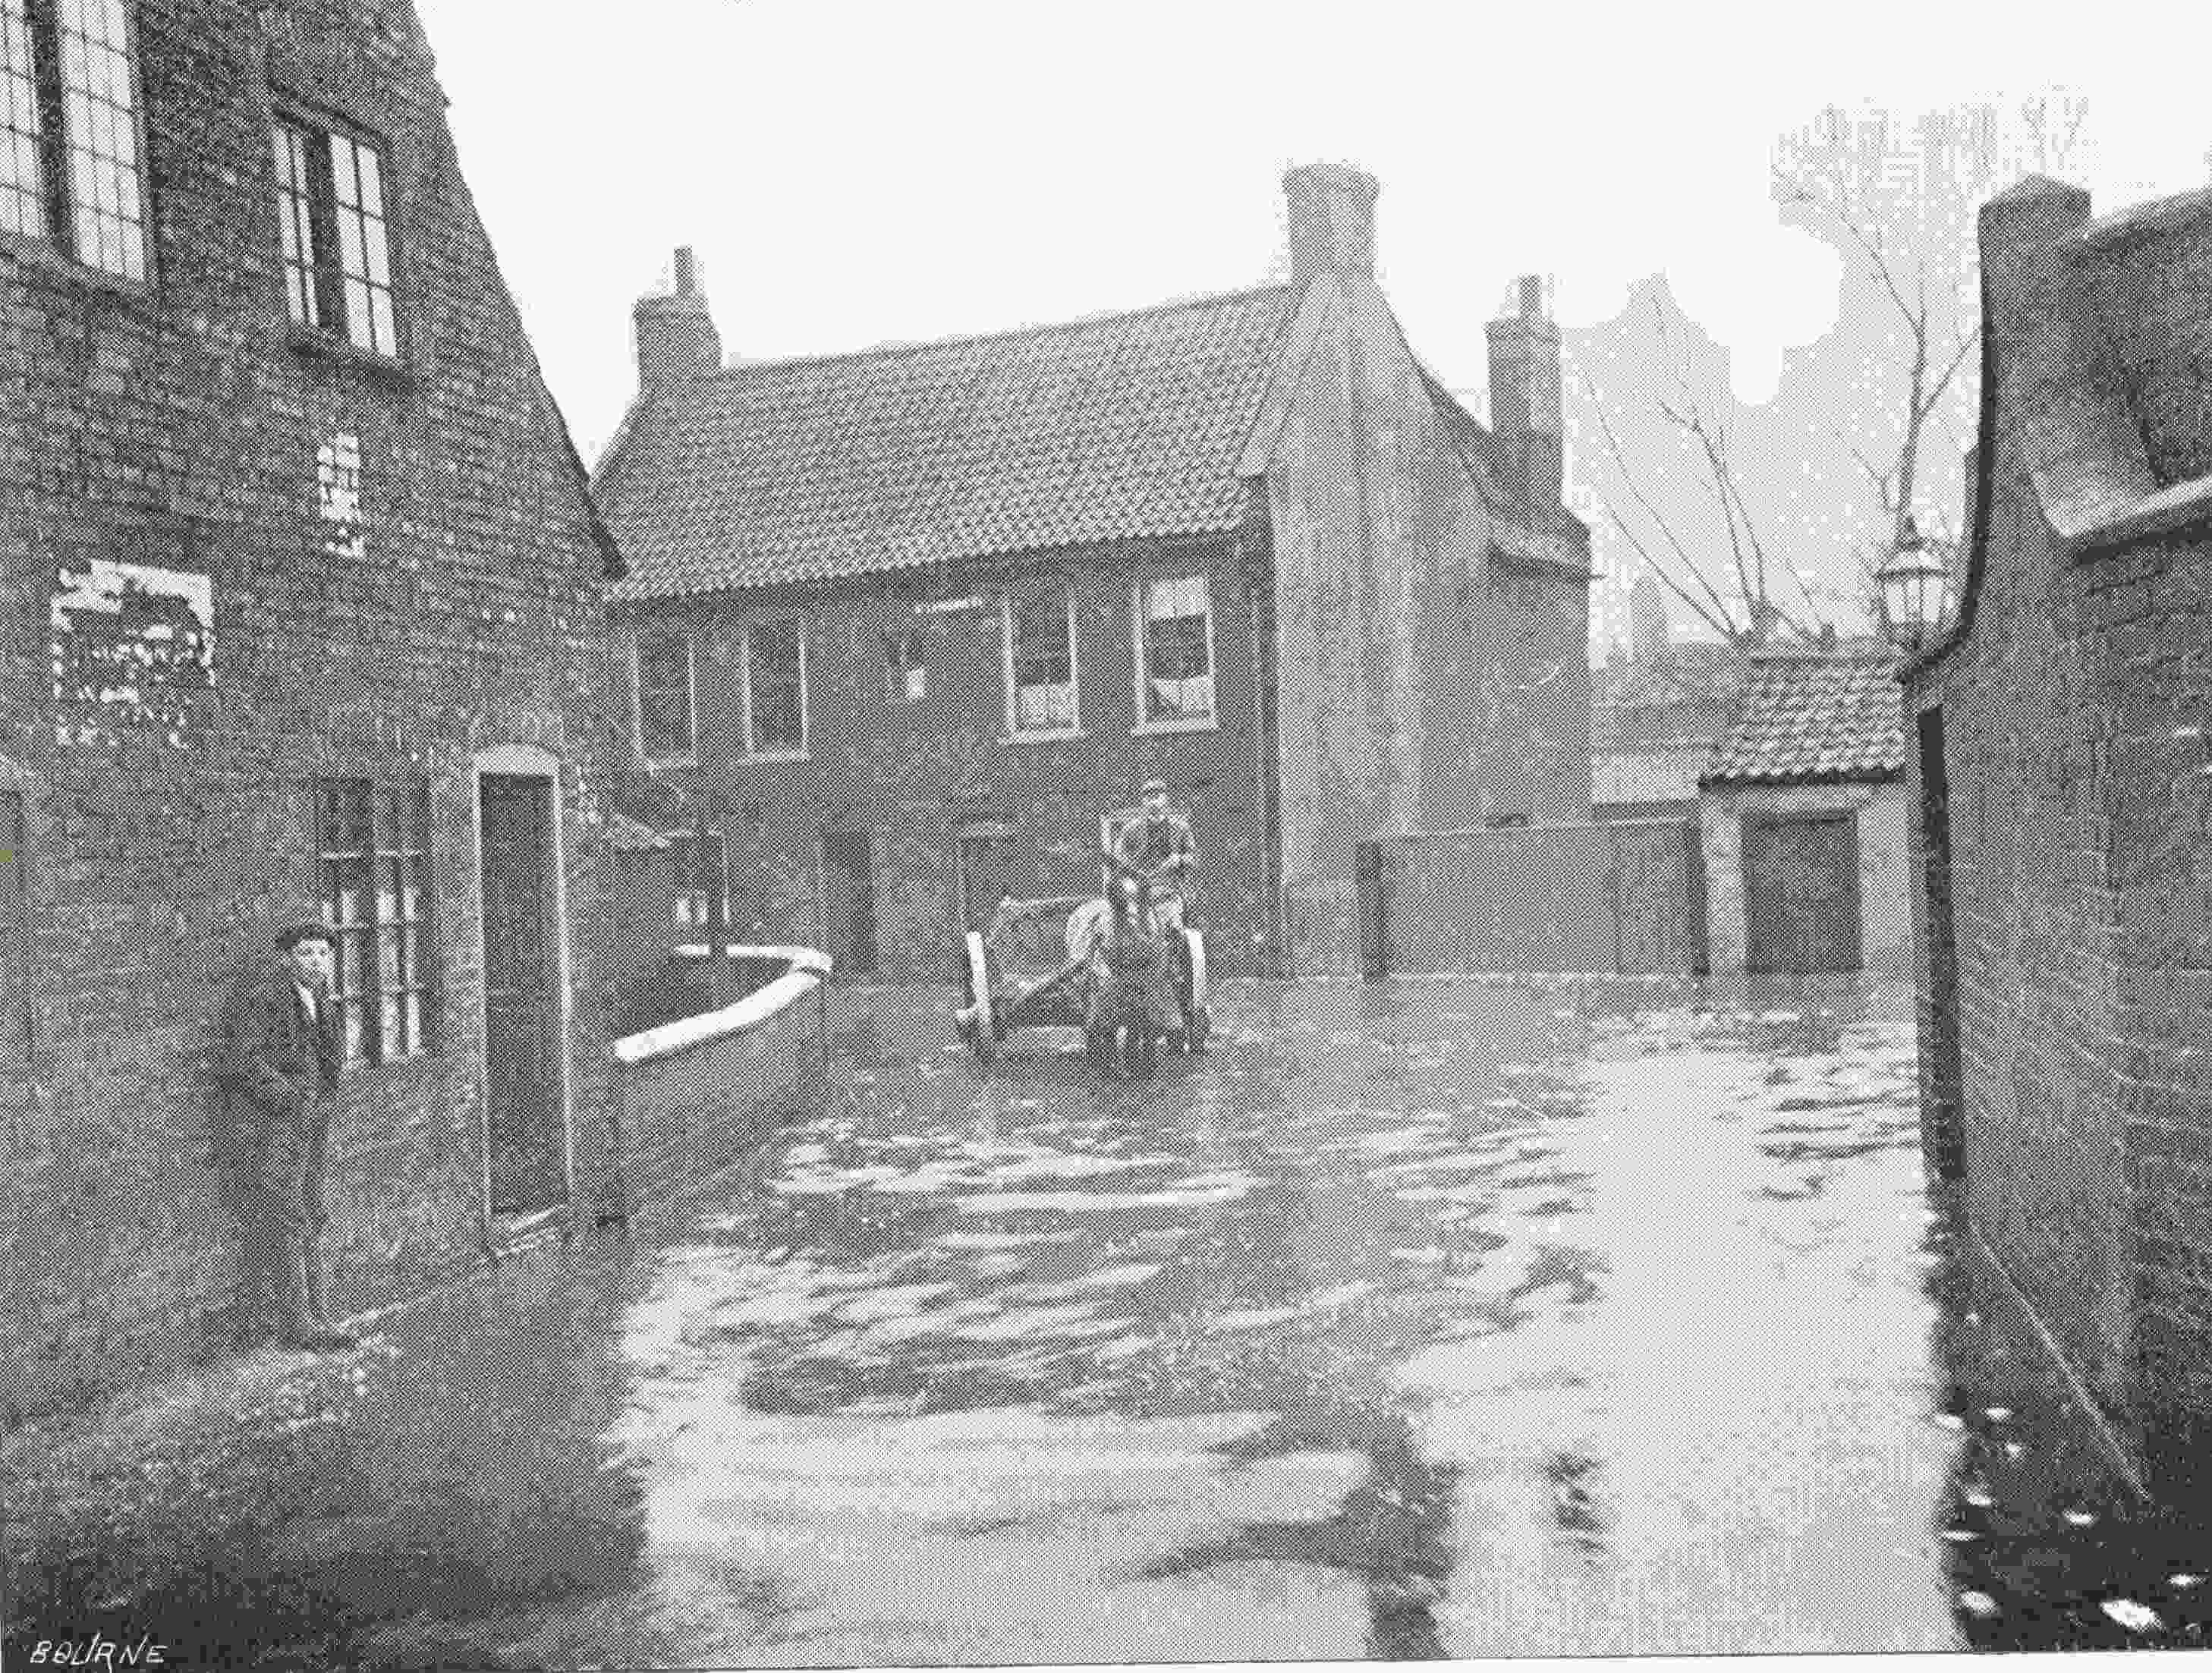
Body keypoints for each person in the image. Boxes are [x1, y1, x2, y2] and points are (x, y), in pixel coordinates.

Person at [212, 920, 357, 1354]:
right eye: (306, 953)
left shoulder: (324, 1003)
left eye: (324, 953)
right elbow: (242, 1060)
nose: (317, 961)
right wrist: (290, 1098)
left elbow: (331, 1062)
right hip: (271, 1129)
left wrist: (321, 1105)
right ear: (289, 959)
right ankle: (298, 1326)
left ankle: (318, 1314)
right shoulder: (267, 1000)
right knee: (286, 1217)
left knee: (312, 1211)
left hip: (310, 1126)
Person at [1084, 876, 1182, 1077]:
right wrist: (1091, 969)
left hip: (1140, 979)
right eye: (1119, 898)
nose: (1125, 902)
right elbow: (1093, 948)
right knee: (1108, 1025)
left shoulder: (1145, 919)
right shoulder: (1108, 921)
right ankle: (1113, 1063)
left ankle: (1139, 1062)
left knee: (1143, 1026)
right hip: (1121, 979)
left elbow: (1160, 948)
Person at [1113, 778, 1197, 930]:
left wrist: (1179, 859)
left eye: (1157, 797)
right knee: (1127, 929)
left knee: (1177, 930)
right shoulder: (1131, 829)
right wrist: (1129, 876)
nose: (1153, 802)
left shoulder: (1180, 828)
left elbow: (1194, 858)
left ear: (1165, 799)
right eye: (1149, 798)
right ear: (1143, 802)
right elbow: (1118, 858)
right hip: (1138, 888)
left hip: (1170, 887)